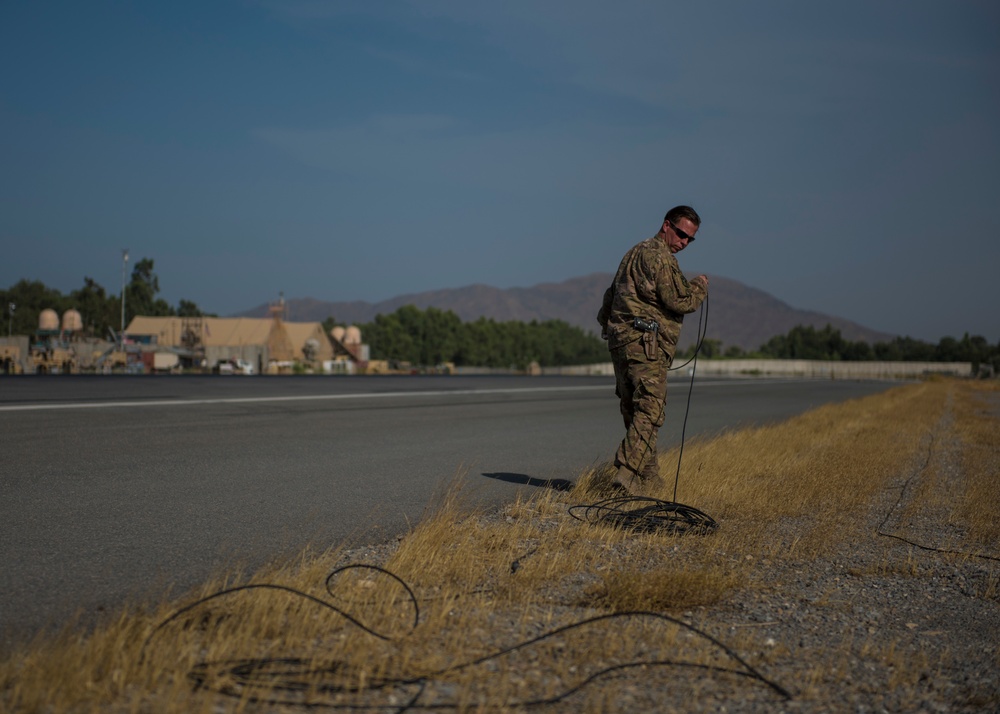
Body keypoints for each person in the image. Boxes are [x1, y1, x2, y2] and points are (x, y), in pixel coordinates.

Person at [597, 205, 709, 495]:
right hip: (644, 342)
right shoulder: (660, 256)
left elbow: (612, 293)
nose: (684, 242)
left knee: (634, 408)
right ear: (666, 226)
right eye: (682, 234)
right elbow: (680, 301)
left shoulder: (634, 252)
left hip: (620, 340)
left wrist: (607, 325)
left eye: (690, 239)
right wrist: (699, 287)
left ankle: (650, 477)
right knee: (651, 407)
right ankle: (627, 473)